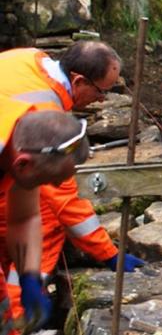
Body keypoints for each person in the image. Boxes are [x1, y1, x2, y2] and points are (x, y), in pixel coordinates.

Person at [0, 42, 144, 322]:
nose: (103, 100)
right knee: (51, 217)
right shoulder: (41, 109)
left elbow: (25, 217)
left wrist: (29, 275)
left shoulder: (30, 60)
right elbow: (64, 202)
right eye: (101, 91)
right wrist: (108, 254)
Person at [0, 96, 90, 331]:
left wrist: (29, 276)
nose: (59, 187)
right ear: (23, 164)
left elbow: (24, 217)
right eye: (50, 180)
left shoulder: (22, 132)